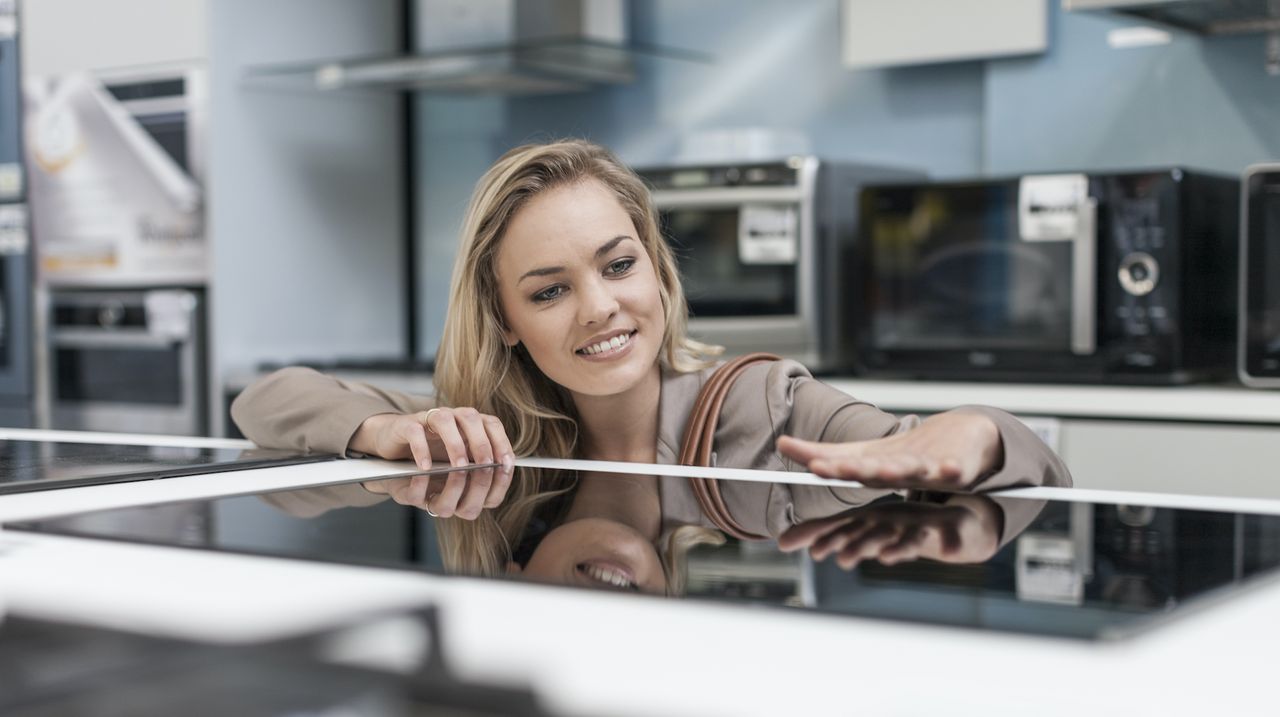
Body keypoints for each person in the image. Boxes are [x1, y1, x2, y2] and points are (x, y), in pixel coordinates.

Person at [232, 139, 1070, 593]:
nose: (600, 307)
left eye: (619, 265)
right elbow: (265, 405)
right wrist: (384, 429)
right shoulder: (498, 439)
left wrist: (981, 436)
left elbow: (982, 455)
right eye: (551, 289)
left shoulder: (768, 405)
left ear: (659, 273)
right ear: (508, 323)